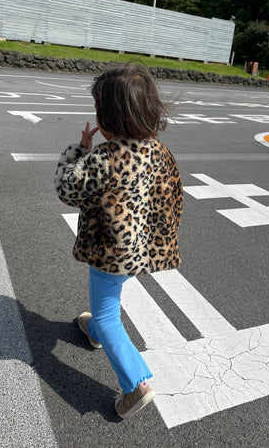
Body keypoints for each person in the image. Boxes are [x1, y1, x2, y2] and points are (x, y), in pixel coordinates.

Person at [54, 63, 183, 420]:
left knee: (109, 315)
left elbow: (68, 189)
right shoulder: (159, 151)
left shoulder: (106, 158)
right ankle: (93, 329)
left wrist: (80, 150)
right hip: (140, 248)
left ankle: (135, 385)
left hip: (110, 252)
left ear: (108, 117)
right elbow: (171, 198)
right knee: (107, 304)